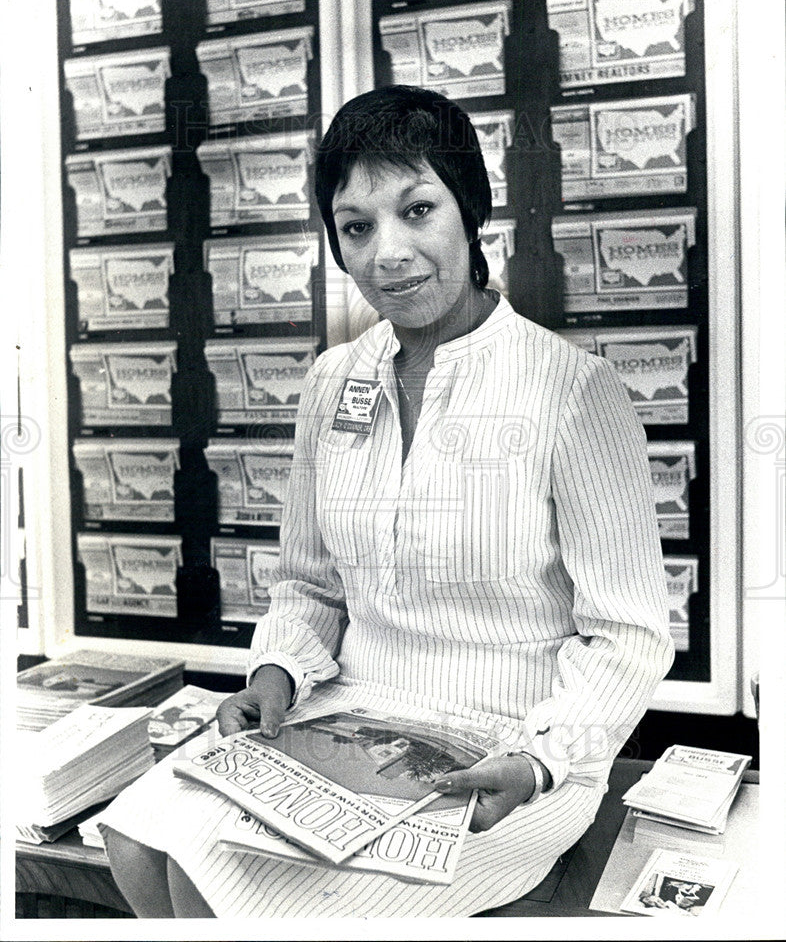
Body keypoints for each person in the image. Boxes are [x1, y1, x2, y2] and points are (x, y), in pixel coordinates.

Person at [101, 85, 674, 918]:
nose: (388, 254)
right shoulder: (332, 382)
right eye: (357, 226)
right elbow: (309, 585)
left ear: (469, 209)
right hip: (346, 717)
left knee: (222, 884)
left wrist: (544, 757)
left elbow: (626, 633)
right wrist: (275, 671)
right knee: (137, 836)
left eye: (417, 210)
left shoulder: (574, 391)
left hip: (511, 747)